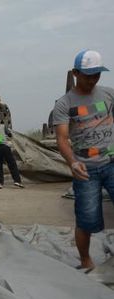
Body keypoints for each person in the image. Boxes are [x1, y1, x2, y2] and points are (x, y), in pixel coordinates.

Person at [52, 49, 114, 269]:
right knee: (86, 219)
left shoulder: (108, 95)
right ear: (75, 73)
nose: (93, 79)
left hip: (111, 163)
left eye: (97, 74)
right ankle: (86, 259)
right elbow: (61, 139)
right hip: (85, 170)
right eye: (88, 75)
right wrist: (72, 162)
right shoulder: (64, 103)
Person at [0, 113, 24, 189]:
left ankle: (0, 183)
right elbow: (9, 134)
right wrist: (9, 135)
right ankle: (17, 181)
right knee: (12, 164)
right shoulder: (3, 126)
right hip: (5, 147)